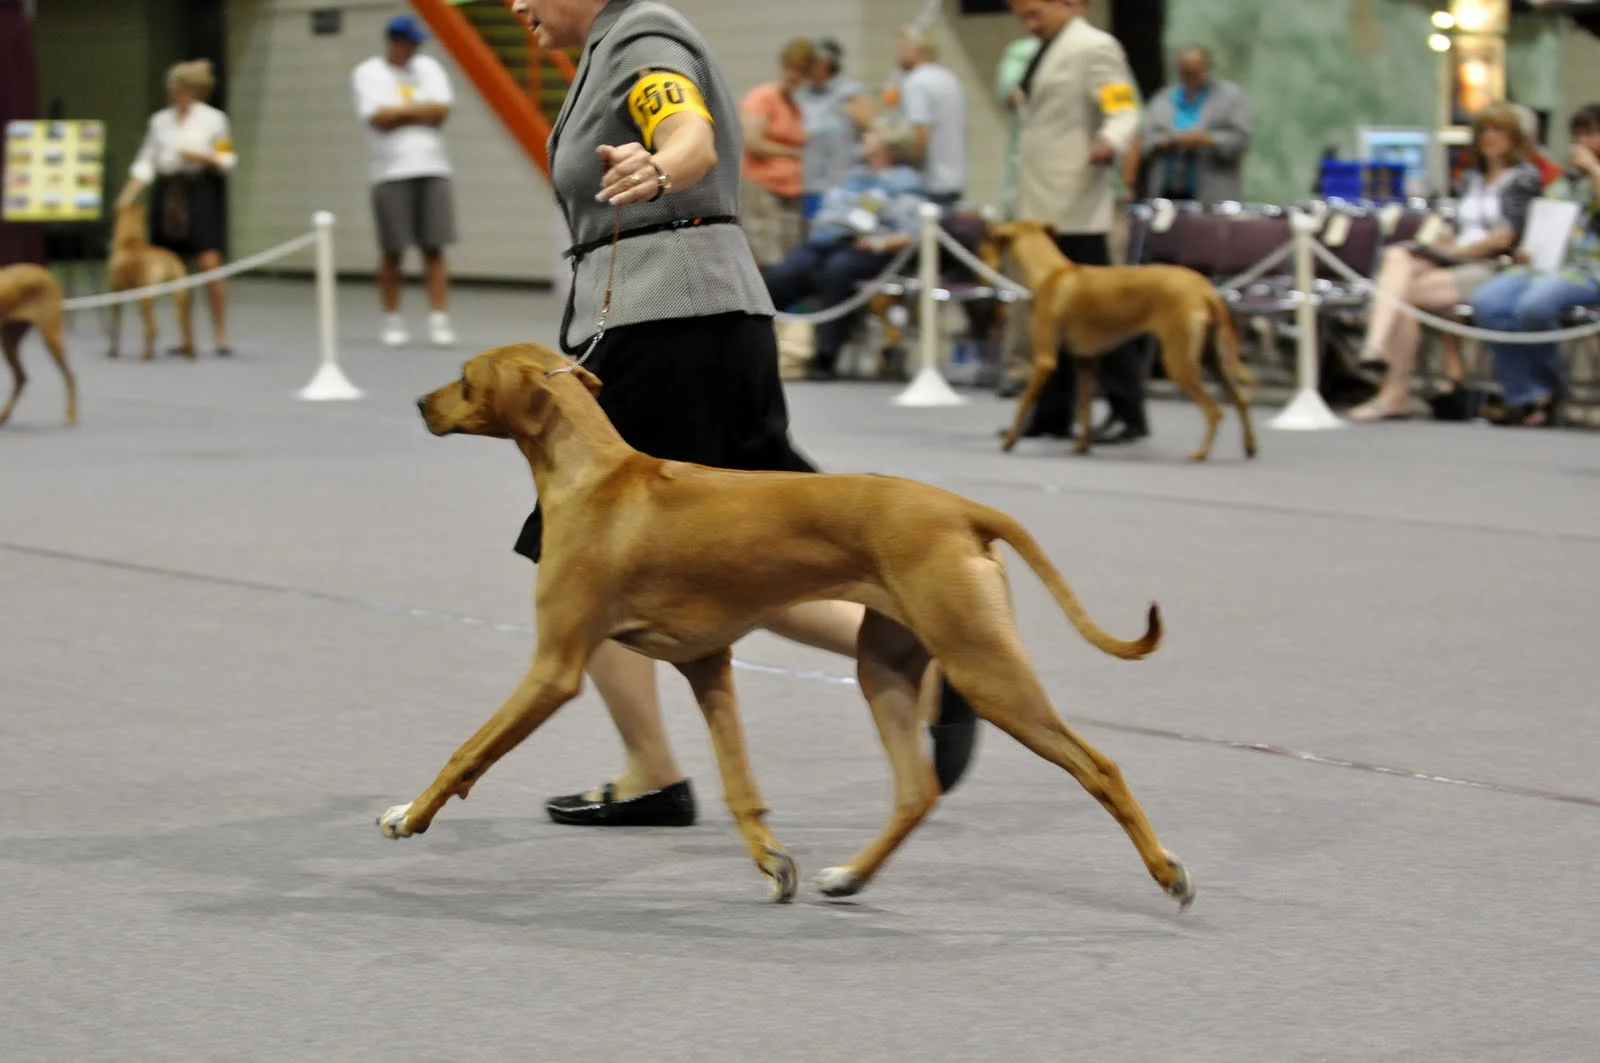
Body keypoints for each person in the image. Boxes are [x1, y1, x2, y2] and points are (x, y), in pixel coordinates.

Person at [506, 0, 982, 828]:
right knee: (761, 547)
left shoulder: (642, 42)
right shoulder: (614, 46)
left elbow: (683, 125)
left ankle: (651, 771)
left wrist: (662, 168)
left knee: (591, 552)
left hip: (664, 324)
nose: (514, 5)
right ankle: (929, 650)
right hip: (711, 318)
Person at [1001, 0, 1148, 445]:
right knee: (1051, 319)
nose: (1028, 24)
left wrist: (1110, 139)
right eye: (1021, 16)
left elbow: (1123, 108)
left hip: (1076, 204)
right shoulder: (1043, 48)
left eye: (1034, 13)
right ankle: (1053, 413)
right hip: (1041, 202)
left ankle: (1128, 412)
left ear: (1065, 4)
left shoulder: (1096, 47)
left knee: (1105, 314)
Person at [1349, 103, 1541, 423]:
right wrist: (1443, 245)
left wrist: (1460, 253)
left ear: (1514, 138)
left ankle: (1391, 386)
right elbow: (1456, 226)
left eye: (1498, 131)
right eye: (1484, 131)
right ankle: (1379, 357)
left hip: (1493, 266)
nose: (1490, 138)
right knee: (1397, 259)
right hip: (1455, 258)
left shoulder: (1523, 178)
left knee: (1399, 297)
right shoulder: (1470, 179)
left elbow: (1505, 237)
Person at [762, 123, 926, 380]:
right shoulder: (854, 177)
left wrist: (877, 243)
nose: (865, 138)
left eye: (872, 136)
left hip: (871, 250)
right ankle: (757, 347)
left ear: (887, 146)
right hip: (828, 242)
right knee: (785, 272)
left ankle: (825, 356)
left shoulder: (906, 183)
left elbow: (912, 230)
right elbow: (830, 212)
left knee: (837, 272)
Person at [1470, 102, 1600, 428]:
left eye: (1593, 134)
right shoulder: (1565, 182)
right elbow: (1544, 222)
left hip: (1588, 269)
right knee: (1488, 301)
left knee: (1535, 305)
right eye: (1579, 135)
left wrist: (1595, 170)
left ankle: (1550, 387)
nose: (1584, 142)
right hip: (1545, 266)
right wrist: (1527, 250)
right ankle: (1525, 394)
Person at [351, 15, 458, 349]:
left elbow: (441, 112)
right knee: (392, 249)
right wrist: (418, 110)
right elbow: (379, 118)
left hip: (433, 167)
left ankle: (439, 318)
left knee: (434, 247)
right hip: (390, 171)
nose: (414, 49)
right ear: (394, 41)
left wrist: (401, 111)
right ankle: (392, 318)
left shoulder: (430, 68)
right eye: (409, 42)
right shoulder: (368, 72)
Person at [116, 59, 235, 355]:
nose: (176, 94)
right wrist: (128, 194)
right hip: (169, 193)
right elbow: (146, 162)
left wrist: (201, 156)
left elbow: (227, 160)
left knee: (209, 263)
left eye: (181, 89)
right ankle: (186, 336)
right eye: (174, 89)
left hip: (200, 189)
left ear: (194, 91)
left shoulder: (215, 120)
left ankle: (220, 333)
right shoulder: (159, 122)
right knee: (175, 266)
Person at [1137, 44, 1250, 206]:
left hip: (1212, 193)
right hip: (1167, 191)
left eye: (1195, 70)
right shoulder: (1164, 99)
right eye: (1185, 71)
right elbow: (1145, 138)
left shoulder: (1231, 97)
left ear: (1207, 67)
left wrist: (1207, 140)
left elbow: (1241, 140)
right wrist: (1167, 141)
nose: (1190, 76)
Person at [738, 38, 813, 268]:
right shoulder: (762, 97)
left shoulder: (794, 105)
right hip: (763, 190)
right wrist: (794, 153)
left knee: (789, 254)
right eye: (790, 69)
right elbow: (752, 142)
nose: (794, 76)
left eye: (801, 72)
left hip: (791, 191)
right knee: (766, 255)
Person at [795, 38, 874, 226]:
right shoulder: (801, 96)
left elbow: (872, 133)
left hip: (845, 184)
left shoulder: (851, 93)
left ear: (826, 64)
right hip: (810, 182)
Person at [892, 26, 966, 207]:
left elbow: (920, 133)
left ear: (916, 51)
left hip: (929, 182)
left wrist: (907, 170)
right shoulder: (950, 78)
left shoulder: (916, 82)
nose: (897, 55)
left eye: (901, 49)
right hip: (955, 178)